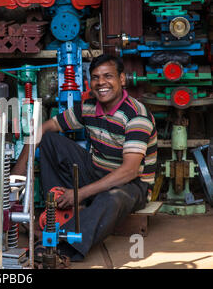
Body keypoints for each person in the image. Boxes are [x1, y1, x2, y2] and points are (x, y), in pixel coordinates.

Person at [11, 54, 157, 262]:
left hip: (132, 184)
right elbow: (44, 128)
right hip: (96, 171)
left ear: (122, 80)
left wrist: (79, 193)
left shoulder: (136, 116)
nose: (101, 83)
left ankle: (62, 243)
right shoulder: (88, 107)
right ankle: (59, 209)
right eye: (96, 77)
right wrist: (17, 175)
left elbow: (129, 171)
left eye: (108, 76)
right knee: (50, 140)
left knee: (112, 198)